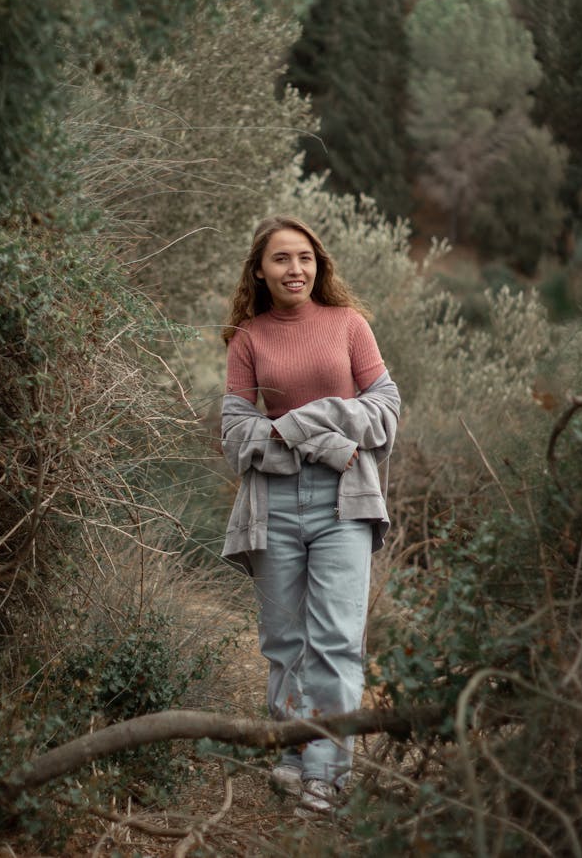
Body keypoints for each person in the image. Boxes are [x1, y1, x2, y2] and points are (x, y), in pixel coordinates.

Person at [220, 215, 400, 817]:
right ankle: (293, 754)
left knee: (336, 641)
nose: (295, 269)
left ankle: (325, 774)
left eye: (305, 258)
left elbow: (384, 410)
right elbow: (236, 433)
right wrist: (319, 437)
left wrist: (300, 422)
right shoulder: (248, 338)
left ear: (318, 265)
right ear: (260, 271)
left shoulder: (350, 326)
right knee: (283, 642)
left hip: (344, 500)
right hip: (271, 503)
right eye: (281, 259)